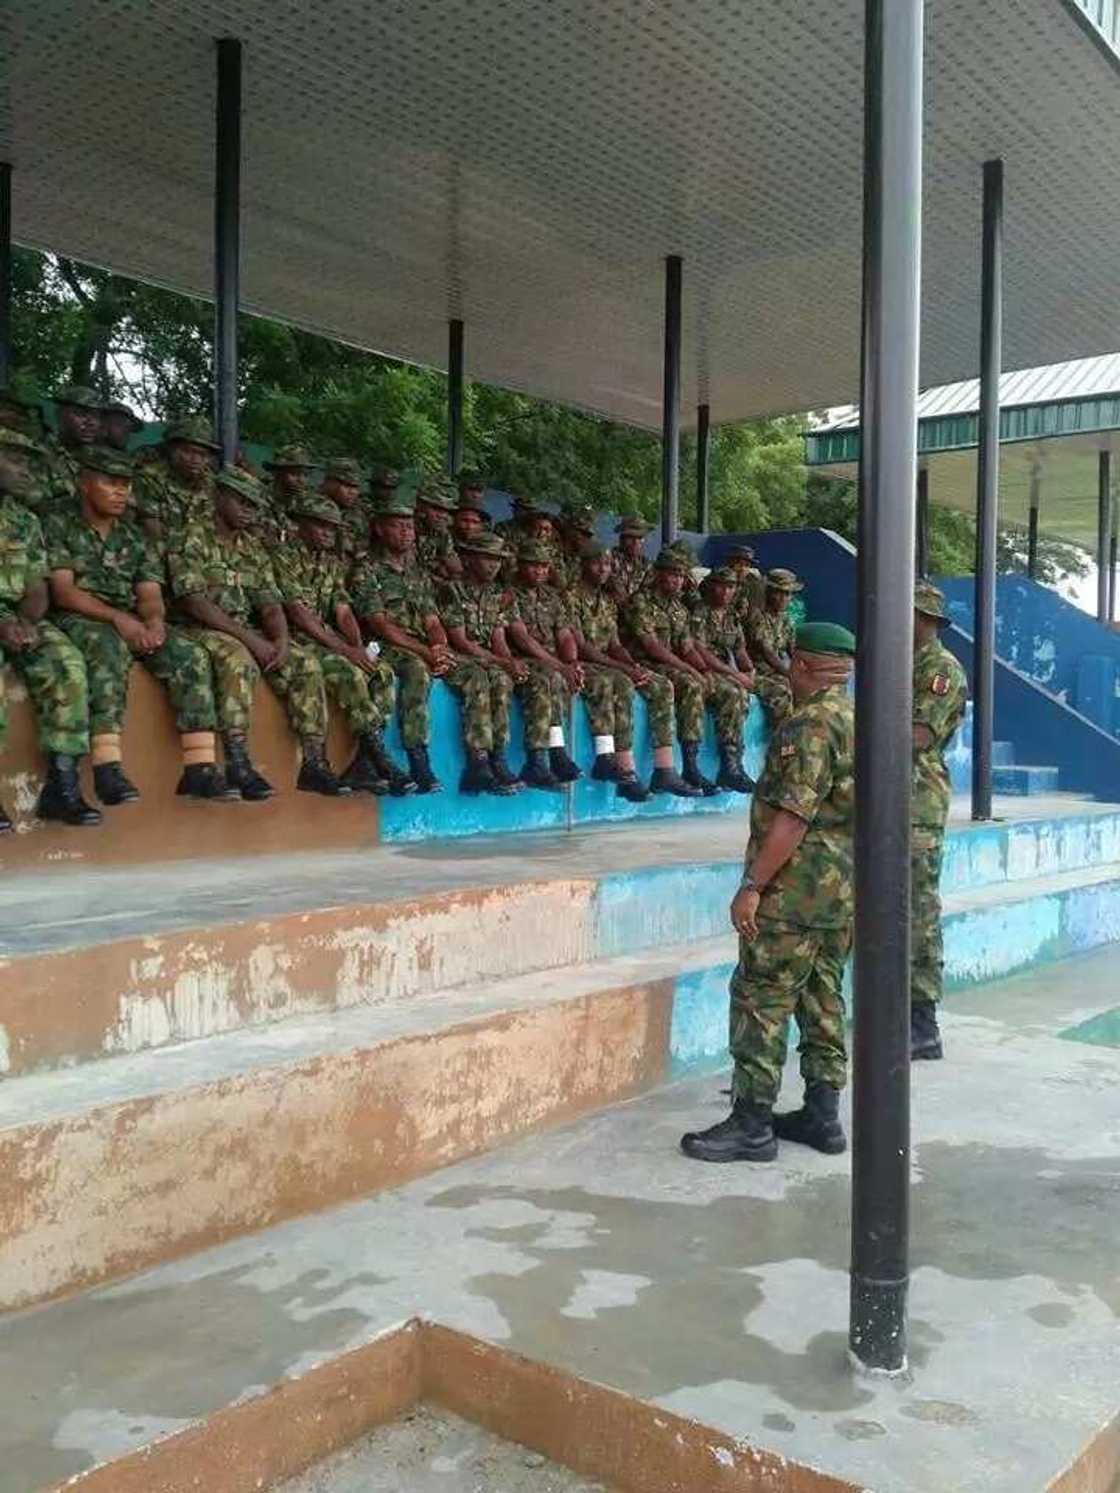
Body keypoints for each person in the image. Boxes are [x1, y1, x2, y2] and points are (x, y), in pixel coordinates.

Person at [681, 622, 857, 1163]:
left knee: (761, 1001)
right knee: (824, 999)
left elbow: (793, 817)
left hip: (794, 894)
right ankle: (823, 1116)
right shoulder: (862, 721)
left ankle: (751, 1124)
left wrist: (752, 885)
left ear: (803, 665)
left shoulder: (809, 727)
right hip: (841, 893)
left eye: (791, 662)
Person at [45, 448, 236, 804]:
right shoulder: (58, 521)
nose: (121, 492)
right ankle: (107, 768)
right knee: (105, 649)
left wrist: (154, 623)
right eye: (110, 483)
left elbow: (148, 592)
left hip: (130, 619)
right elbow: (64, 592)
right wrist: (121, 620)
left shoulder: (134, 535)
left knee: (190, 655)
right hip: (80, 617)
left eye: (126, 485)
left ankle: (199, 768)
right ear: (85, 484)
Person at [168, 466, 350, 799]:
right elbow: (193, 602)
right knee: (237, 659)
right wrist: (251, 640)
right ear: (220, 496)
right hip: (198, 628)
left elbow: (270, 604)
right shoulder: (191, 536)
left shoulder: (252, 546)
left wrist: (279, 639)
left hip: (248, 630)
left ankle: (314, 763)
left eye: (254, 505)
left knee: (305, 663)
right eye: (242, 501)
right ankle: (237, 761)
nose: (249, 510)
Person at [274, 492, 413, 795]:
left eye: (331, 527)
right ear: (302, 525)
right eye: (320, 525)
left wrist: (358, 647)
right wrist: (345, 651)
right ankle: (369, 756)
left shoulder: (331, 561)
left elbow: (343, 610)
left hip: (328, 640)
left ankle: (364, 762)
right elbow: (298, 613)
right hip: (299, 640)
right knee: (348, 671)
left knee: (381, 671)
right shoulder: (283, 555)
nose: (327, 532)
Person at [0, 429, 100, 829]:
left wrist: (27, 621)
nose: (28, 470)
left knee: (68, 663)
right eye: (17, 459)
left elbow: (38, 585)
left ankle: (62, 786)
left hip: (16, 614)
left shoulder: (22, 518)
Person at [568, 542, 697, 800]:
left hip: (610, 662)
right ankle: (625, 771)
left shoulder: (606, 602)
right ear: (582, 566)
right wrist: (626, 667)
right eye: (597, 563)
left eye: (607, 565)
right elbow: (582, 647)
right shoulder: (570, 598)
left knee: (661, 685)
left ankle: (664, 769)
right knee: (623, 683)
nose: (603, 569)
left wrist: (633, 666)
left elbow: (615, 644)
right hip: (588, 663)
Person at [350, 492, 450, 794]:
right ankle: (400, 756)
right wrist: (425, 651)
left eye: (409, 526)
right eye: (397, 526)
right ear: (380, 529)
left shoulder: (416, 573)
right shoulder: (366, 568)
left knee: (428, 666)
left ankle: (417, 759)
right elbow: (379, 623)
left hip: (418, 647)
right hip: (382, 645)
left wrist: (440, 647)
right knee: (416, 669)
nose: (406, 532)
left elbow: (432, 621)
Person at [625, 547, 746, 796]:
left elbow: (688, 647)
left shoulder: (679, 608)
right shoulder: (640, 601)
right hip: (645, 662)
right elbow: (651, 646)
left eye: (681, 575)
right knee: (691, 684)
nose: (678, 580)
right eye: (672, 574)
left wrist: (703, 670)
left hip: (673, 664)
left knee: (732, 691)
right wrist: (691, 671)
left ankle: (730, 766)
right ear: (658, 574)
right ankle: (690, 767)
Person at [911, 581, 968, 1061]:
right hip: (887, 799)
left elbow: (917, 735)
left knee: (918, 912)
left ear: (925, 619)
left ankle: (922, 1022)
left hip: (916, 804)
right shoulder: (901, 662)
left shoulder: (940, 669)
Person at [439, 529, 529, 796]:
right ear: (469, 558)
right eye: (487, 558)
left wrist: (508, 663)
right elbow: (459, 641)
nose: (493, 565)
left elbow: (498, 639)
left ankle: (498, 759)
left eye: (498, 560)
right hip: (459, 656)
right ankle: (477, 761)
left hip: (486, 658)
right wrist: (500, 661)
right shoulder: (452, 590)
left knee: (503, 680)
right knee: (477, 677)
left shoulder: (496, 595)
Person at [507, 540, 583, 788]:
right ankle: (537, 760)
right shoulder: (509, 595)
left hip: (552, 662)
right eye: (533, 566)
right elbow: (522, 638)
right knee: (545, 679)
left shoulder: (552, 597)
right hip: (522, 658)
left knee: (557, 677)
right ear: (520, 566)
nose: (539, 571)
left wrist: (571, 663)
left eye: (543, 566)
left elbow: (565, 635)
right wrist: (560, 666)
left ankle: (557, 752)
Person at [691, 566, 757, 793]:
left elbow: (740, 650)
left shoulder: (731, 617)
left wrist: (749, 671)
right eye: (721, 585)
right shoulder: (699, 612)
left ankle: (779, 757)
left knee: (777, 690)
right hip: (703, 669)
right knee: (733, 693)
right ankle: (730, 767)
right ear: (710, 587)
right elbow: (700, 651)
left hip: (727, 671)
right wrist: (736, 675)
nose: (726, 592)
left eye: (731, 587)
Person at [134, 415, 219, 546]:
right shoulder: (150, 478)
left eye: (202, 454)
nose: (195, 460)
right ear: (172, 449)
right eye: (188, 451)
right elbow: (153, 533)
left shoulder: (210, 482)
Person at [37, 385, 104, 515]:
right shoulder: (39, 451)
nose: (91, 422)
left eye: (96, 416)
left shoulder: (99, 461)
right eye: (81, 414)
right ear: (60, 415)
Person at [746, 568, 802, 724]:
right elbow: (768, 653)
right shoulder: (757, 618)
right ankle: (784, 740)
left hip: (776, 673)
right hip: (757, 674)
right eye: (780, 593)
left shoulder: (785, 620)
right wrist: (791, 674)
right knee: (783, 691)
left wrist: (802, 673)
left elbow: (794, 651)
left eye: (788, 594)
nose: (785, 598)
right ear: (770, 593)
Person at [261, 443, 317, 549]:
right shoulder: (260, 497)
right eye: (295, 474)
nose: (301, 480)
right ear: (277, 473)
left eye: (305, 475)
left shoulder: (306, 503)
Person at [414, 474, 462, 584]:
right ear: (421, 506)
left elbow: (455, 568)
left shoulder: (442, 534)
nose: (442, 515)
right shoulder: (406, 529)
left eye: (446, 511)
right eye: (436, 509)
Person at [321, 458, 370, 564]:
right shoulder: (308, 507)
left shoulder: (360, 513)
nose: (352, 492)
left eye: (355, 487)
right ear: (330, 483)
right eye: (347, 486)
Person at [610, 515, 653, 606]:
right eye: (631, 537)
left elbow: (648, 593)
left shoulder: (646, 565)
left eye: (640, 538)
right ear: (621, 539)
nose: (636, 542)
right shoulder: (610, 560)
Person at [727, 546, 765, 621]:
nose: (743, 569)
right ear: (731, 564)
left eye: (747, 565)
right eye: (739, 564)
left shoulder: (754, 584)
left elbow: (758, 608)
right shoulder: (720, 581)